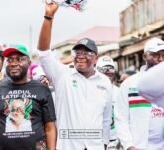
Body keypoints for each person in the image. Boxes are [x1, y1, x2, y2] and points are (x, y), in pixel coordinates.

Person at [37, 2, 112, 150]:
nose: (80, 56)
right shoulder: (63, 75)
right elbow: (43, 53)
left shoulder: (104, 82)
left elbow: (106, 118)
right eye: (77, 52)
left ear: (96, 58)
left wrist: (104, 144)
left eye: (87, 53)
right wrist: (49, 16)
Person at [0, 45, 56, 150]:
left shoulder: (42, 89)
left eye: (19, 59)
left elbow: (50, 127)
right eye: (10, 60)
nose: (14, 63)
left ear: (29, 63)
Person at [115, 38, 164, 150]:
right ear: (145, 57)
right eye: (155, 55)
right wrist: (129, 145)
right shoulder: (130, 84)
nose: (160, 59)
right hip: (139, 147)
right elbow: (120, 118)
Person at [96, 56, 122, 150]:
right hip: (97, 141)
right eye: (104, 69)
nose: (107, 72)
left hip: (116, 140)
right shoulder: (91, 92)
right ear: (97, 70)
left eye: (110, 69)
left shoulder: (120, 92)